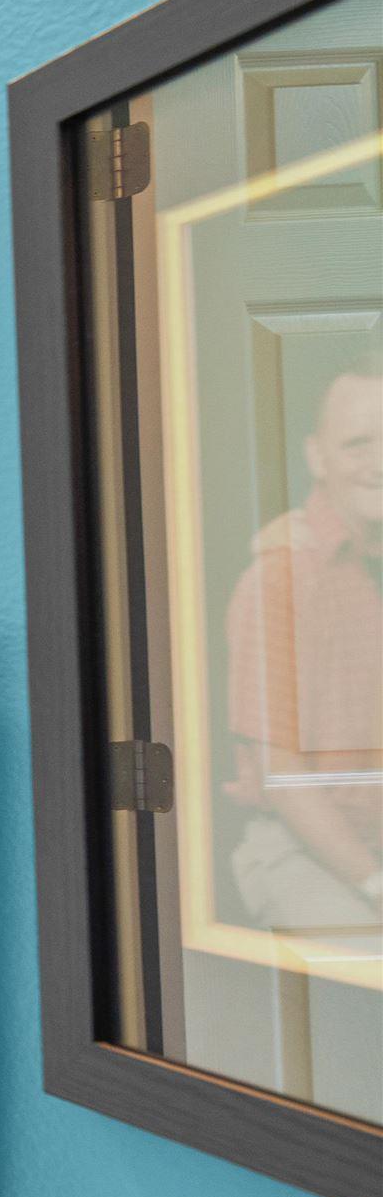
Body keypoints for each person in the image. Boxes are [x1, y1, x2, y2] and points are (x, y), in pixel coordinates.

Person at [225, 365, 383, 934]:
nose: (380, 462)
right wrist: (376, 886)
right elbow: (282, 780)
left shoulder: (373, 569)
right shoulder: (280, 578)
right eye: (359, 443)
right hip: (307, 852)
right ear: (317, 457)